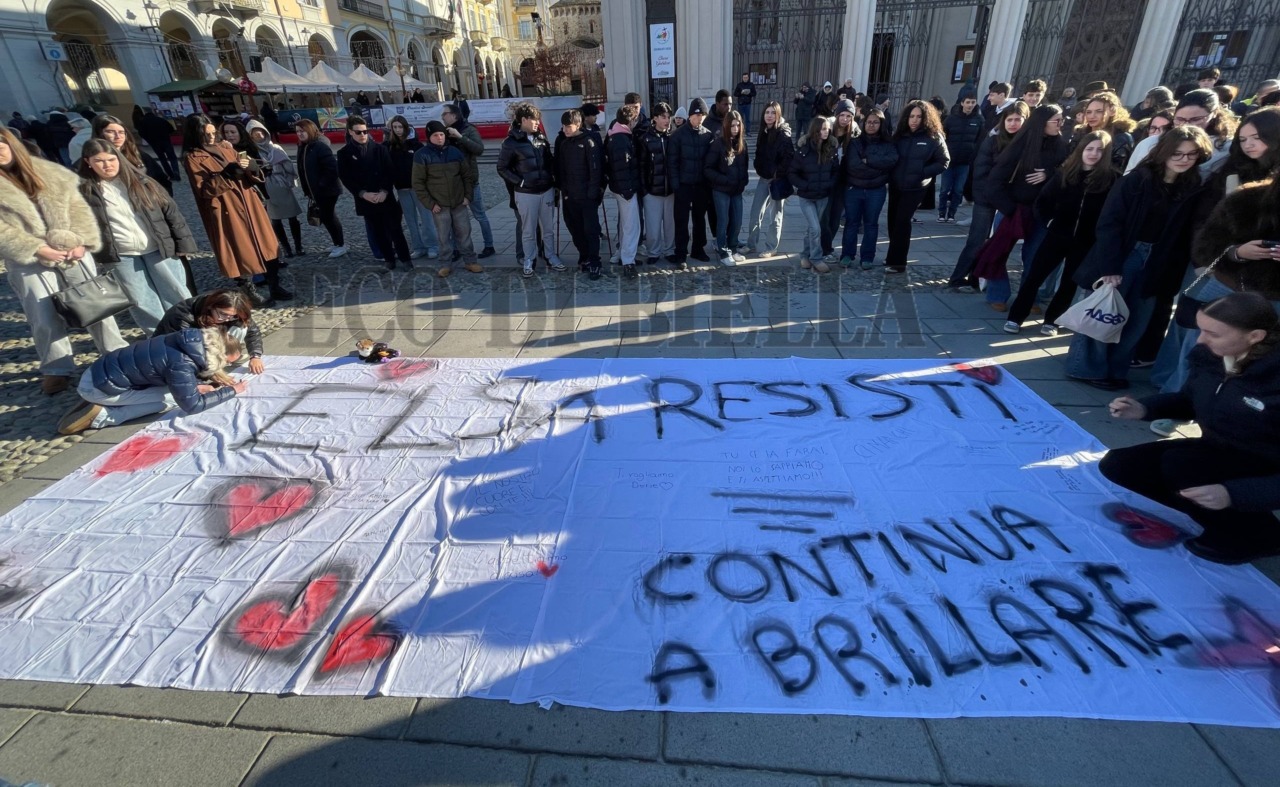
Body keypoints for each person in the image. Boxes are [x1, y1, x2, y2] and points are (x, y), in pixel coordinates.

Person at [1101, 293, 1280, 564]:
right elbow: (1191, 400)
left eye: (1212, 333)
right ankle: (1213, 510)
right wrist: (1145, 409)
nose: (1200, 340)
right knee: (1119, 465)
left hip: (1266, 464)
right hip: (1218, 449)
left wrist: (1235, 494)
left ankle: (1259, 536)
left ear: (1255, 336)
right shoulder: (1210, 356)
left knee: (1182, 465)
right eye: (1201, 330)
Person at [1065, 126, 1213, 390]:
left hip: (1159, 259)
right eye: (1177, 153)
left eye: (1191, 155)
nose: (1183, 159)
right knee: (1104, 313)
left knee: (1138, 319)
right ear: (1164, 153)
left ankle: (1117, 369)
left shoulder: (1193, 187)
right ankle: (1087, 369)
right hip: (1127, 253)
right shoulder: (1137, 180)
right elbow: (1109, 223)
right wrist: (1110, 266)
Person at [0, 125, 127, 395]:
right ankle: (57, 367)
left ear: (12, 145)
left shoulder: (48, 172)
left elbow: (77, 206)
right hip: (28, 259)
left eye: (1, 145)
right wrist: (35, 247)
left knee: (95, 305)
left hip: (72, 250)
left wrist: (82, 241)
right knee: (42, 314)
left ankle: (116, 353)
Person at [1005, 130, 1118, 334]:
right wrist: (1050, 222)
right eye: (1089, 148)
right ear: (1081, 149)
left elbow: (1112, 213)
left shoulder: (1111, 179)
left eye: (1099, 150)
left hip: (1086, 240)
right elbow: (1043, 202)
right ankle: (1016, 317)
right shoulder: (1065, 173)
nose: (1093, 154)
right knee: (1034, 276)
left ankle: (1053, 320)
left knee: (1069, 283)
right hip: (1057, 235)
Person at [77, 139, 193, 336]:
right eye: (100, 161)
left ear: (119, 158)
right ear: (88, 162)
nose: (107, 165)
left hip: (158, 247)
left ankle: (191, 331)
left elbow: (171, 212)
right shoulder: (84, 190)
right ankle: (160, 339)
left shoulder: (141, 182)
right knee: (141, 300)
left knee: (176, 292)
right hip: (122, 255)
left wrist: (183, 242)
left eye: (111, 159)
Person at [182, 114, 291, 305]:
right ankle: (248, 290)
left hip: (250, 203)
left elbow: (250, 169)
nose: (211, 137)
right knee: (238, 250)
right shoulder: (193, 158)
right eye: (205, 134)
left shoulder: (227, 148)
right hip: (226, 208)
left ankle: (275, 285)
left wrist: (252, 167)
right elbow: (204, 190)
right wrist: (225, 175)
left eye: (213, 133)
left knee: (267, 244)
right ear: (195, 134)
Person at [56, 326, 246, 435]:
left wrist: (197, 385)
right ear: (219, 354)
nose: (224, 368)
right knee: (170, 401)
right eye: (226, 363)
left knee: (176, 392)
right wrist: (231, 391)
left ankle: (99, 401)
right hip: (100, 388)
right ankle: (101, 415)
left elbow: (162, 371)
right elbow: (192, 405)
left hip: (97, 373)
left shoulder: (189, 339)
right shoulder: (183, 363)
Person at [972, 103, 1070, 311]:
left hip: (1041, 212)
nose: (1061, 124)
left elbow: (1067, 174)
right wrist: (1009, 210)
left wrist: (1049, 174)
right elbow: (994, 183)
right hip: (1015, 209)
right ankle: (997, 293)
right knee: (998, 252)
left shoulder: (1061, 145)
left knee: (1035, 258)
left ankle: (1028, 297)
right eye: (1057, 121)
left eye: (1062, 120)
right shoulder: (1020, 146)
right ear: (1042, 123)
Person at [946, 102, 1029, 290]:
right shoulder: (992, 141)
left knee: (997, 244)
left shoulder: (1028, 144)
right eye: (1010, 119)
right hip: (987, 200)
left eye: (1018, 119)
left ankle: (978, 278)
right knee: (977, 240)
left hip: (1011, 202)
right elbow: (981, 173)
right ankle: (958, 277)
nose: (1013, 123)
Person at [497, 101, 562, 277]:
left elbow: (549, 162)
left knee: (548, 228)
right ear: (524, 120)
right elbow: (502, 168)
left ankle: (550, 256)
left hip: (546, 190)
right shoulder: (510, 142)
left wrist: (553, 181)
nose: (537, 123)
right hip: (526, 193)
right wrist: (520, 182)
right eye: (534, 120)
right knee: (528, 229)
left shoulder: (541, 138)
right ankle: (529, 259)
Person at [338, 115, 411, 270]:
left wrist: (385, 191)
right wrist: (362, 193)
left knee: (395, 229)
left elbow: (390, 172)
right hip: (366, 199)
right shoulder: (344, 153)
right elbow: (346, 178)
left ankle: (405, 259)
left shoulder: (380, 149)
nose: (363, 135)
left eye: (365, 131)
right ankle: (388, 258)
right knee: (378, 231)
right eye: (358, 132)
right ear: (351, 132)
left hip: (385, 197)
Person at [885, 100, 949, 274]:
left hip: (915, 187)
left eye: (919, 116)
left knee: (902, 222)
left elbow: (944, 161)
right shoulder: (900, 135)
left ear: (926, 118)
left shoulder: (933, 136)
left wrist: (922, 172)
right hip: (896, 185)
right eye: (911, 116)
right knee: (892, 221)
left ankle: (898, 263)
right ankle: (893, 256)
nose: (914, 120)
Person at [413, 120, 483, 279]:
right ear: (429, 136)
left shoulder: (455, 152)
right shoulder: (421, 155)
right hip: (439, 205)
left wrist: (468, 196)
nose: (439, 138)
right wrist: (430, 204)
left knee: (464, 233)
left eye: (442, 134)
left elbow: (467, 176)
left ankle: (470, 261)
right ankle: (445, 264)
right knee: (443, 237)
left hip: (459, 202)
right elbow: (418, 183)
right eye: (436, 135)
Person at [1126, 89, 1235, 176]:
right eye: (1180, 119)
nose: (1186, 125)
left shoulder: (1226, 148)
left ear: (1214, 114)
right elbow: (1128, 179)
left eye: (1195, 119)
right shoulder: (1151, 143)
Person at [155, 288, 265, 374]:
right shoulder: (183, 316)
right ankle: (212, 366)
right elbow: (186, 349)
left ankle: (226, 357)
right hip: (168, 350)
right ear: (210, 307)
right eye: (223, 314)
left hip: (207, 337)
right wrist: (213, 372)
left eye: (233, 316)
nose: (227, 319)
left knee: (242, 326)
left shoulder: (235, 312)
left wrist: (255, 356)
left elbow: (252, 331)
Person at [841, 108, 898, 270]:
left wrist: (869, 160)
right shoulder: (855, 142)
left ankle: (867, 257)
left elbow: (892, 161)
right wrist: (877, 166)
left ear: (881, 124)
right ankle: (847, 254)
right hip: (855, 188)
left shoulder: (888, 144)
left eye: (875, 122)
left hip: (876, 190)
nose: (871, 125)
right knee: (851, 223)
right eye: (869, 122)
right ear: (863, 124)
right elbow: (853, 166)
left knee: (871, 224)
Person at [442, 103, 496, 259]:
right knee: (453, 217)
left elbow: (479, 149)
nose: (443, 117)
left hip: (470, 181)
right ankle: (456, 249)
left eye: (444, 114)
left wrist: (460, 137)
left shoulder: (469, 129)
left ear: (454, 115)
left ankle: (489, 245)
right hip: (452, 182)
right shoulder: (443, 132)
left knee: (479, 215)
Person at [555, 109, 604, 279]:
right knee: (575, 229)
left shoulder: (589, 142)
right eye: (563, 126)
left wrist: (592, 194)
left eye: (568, 126)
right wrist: (563, 191)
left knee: (590, 230)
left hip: (587, 197)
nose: (565, 129)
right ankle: (584, 255)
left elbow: (595, 171)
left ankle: (595, 261)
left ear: (578, 124)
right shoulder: (564, 144)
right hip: (570, 196)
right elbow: (561, 170)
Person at [245, 120, 304, 260]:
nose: (258, 134)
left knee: (292, 217)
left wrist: (290, 180)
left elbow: (289, 166)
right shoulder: (251, 151)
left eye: (260, 131)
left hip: (281, 184)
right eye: (254, 132)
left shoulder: (275, 148)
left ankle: (298, 245)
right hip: (266, 186)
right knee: (276, 219)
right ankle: (286, 247)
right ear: (250, 135)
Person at [384, 115, 439, 261]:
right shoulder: (390, 146)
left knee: (426, 218)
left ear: (405, 127)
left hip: (419, 188)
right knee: (410, 220)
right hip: (402, 188)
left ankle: (432, 245)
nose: (397, 130)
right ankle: (418, 247)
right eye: (394, 127)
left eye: (400, 127)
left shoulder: (416, 145)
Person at [789, 117, 839, 273]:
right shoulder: (803, 150)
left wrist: (830, 184)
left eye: (828, 129)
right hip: (807, 196)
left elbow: (836, 171)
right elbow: (792, 173)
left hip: (823, 196)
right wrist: (805, 185)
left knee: (813, 228)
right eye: (823, 129)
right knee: (816, 228)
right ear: (816, 130)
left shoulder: (831, 148)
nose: (827, 131)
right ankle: (816, 258)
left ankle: (804, 254)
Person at [670, 97, 715, 268]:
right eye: (697, 115)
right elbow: (672, 162)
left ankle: (698, 248)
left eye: (702, 115)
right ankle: (681, 252)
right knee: (681, 220)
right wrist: (676, 184)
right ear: (690, 116)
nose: (700, 118)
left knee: (699, 219)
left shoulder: (707, 135)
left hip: (701, 185)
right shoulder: (678, 136)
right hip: (683, 185)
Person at [745, 100, 793, 256]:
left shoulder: (783, 134)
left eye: (773, 112)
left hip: (777, 180)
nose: (770, 115)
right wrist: (759, 167)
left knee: (775, 216)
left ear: (778, 115)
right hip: (763, 178)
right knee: (755, 213)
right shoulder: (763, 132)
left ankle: (771, 247)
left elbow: (788, 159)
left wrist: (776, 174)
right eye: (767, 112)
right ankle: (751, 244)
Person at [704, 109, 749, 267]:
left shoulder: (742, 144)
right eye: (732, 126)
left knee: (737, 221)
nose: (735, 129)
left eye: (738, 125)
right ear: (726, 126)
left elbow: (744, 166)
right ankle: (723, 252)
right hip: (721, 190)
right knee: (723, 221)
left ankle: (733, 248)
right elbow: (708, 169)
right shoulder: (718, 143)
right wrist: (724, 180)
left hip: (736, 190)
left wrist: (744, 180)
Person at [295, 119, 346, 258]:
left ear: (310, 130)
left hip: (327, 190)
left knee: (329, 216)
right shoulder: (303, 146)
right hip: (315, 190)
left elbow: (332, 168)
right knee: (326, 217)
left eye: (302, 131)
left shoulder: (320, 146)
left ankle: (340, 244)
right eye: (297, 131)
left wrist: (321, 185)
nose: (299, 134)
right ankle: (337, 243)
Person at [603, 104, 644, 277]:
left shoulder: (616, 134)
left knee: (625, 225)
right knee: (631, 226)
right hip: (625, 188)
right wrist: (628, 189)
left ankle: (624, 255)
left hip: (620, 187)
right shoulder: (621, 139)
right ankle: (628, 261)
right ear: (632, 120)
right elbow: (621, 167)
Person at [92, 115, 171, 196]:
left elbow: (162, 180)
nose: (118, 136)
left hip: (148, 204)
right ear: (99, 133)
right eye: (110, 132)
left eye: (121, 132)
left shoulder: (139, 155)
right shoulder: (91, 161)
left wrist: (163, 203)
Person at [819, 99, 859, 259]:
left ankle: (827, 247)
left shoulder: (855, 135)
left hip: (843, 182)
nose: (845, 119)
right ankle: (821, 247)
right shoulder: (827, 130)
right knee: (824, 217)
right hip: (826, 180)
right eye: (842, 115)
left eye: (848, 116)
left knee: (835, 218)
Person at [639, 103, 677, 266]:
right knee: (653, 225)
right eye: (663, 117)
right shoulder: (645, 138)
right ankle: (653, 252)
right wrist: (644, 189)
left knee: (670, 225)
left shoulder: (673, 138)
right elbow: (641, 165)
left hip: (670, 190)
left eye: (668, 117)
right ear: (654, 118)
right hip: (652, 190)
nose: (667, 120)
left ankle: (669, 250)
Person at [939, 96, 982, 223]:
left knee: (958, 190)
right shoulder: (951, 119)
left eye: (973, 102)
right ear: (962, 103)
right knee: (945, 189)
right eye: (968, 102)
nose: (970, 105)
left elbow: (980, 139)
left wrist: (973, 153)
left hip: (965, 162)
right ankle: (941, 213)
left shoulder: (979, 119)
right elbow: (942, 136)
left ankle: (952, 213)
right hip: (949, 161)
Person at [1074, 91, 1135, 168]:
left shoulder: (1121, 138)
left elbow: (1118, 167)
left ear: (1112, 111)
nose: (1092, 116)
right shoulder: (1081, 133)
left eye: (1099, 111)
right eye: (1089, 112)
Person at [138, 109, 180, 182]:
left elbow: (141, 133)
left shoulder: (143, 122)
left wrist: (148, 139)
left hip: (154, 143)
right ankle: (176, 173)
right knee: (172, 158)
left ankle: (170, 175)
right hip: (166, 141)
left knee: (163, 159)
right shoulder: (160, 120)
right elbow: (171, 129)